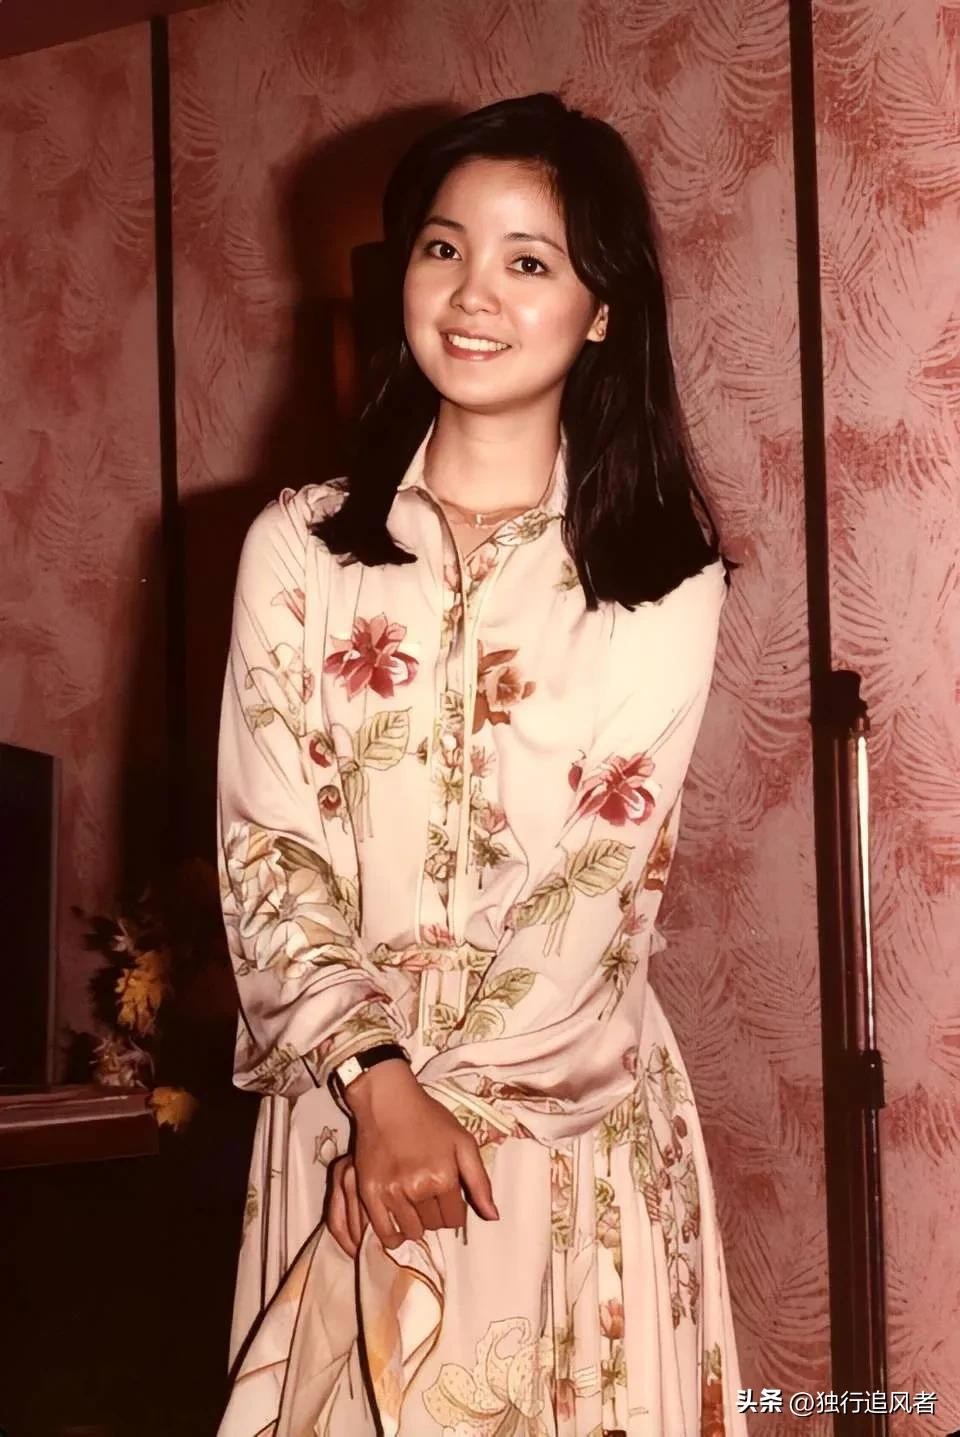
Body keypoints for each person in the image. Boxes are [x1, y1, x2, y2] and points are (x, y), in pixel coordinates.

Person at [215, 92, 747, 1437]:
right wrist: (378, 1092)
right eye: (443, 247)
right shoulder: (300, 549)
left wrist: (429, 1117)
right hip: (345, 1109)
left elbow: (596, 884)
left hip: (554, 1128)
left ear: (603, 308)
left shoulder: (660, 575)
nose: (472, 293)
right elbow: (269, 847)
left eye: (530, 260)